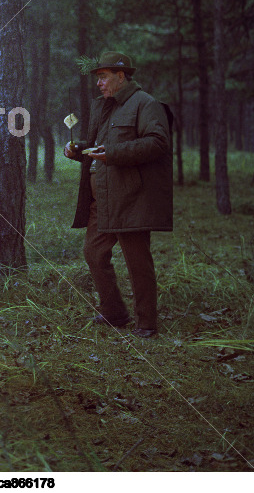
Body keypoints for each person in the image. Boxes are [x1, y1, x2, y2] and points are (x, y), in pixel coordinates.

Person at [64, 51, 173, 338]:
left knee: (137, 261)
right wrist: (79, 150)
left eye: (103, 77)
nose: (98, 83)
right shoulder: (102, 106)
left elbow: (157, 142)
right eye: (98, 78)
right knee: (93, 252)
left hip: (131, 197)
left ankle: (146, 323)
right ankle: (114, 312)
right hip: (102, 199)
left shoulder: (145, 104)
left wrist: (112, 153)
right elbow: (101, 146)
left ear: (121, 76)